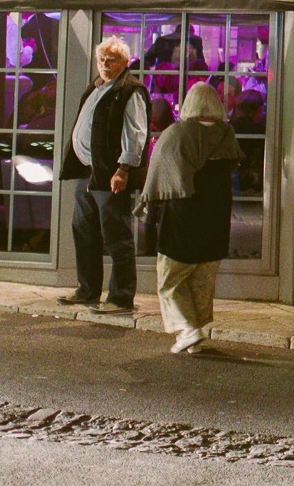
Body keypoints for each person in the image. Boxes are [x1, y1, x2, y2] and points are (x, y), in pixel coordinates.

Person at [140, 82, 244, 354]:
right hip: (217, 217)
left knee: (170, 280)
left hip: (183, 216)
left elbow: (159, 173)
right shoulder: (227, 133)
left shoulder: (177, 134)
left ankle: (188, 329)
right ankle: (193, 335)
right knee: (202, 281)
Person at [56, 36, 149, 313]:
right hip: (88, 171)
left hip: (110, 173)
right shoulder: (98, 86)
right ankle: (87, 290)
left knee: (116, 235)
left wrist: (123, 170)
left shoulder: (130, 90)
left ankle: (120, 298)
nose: (105, 64)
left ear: (125, 62)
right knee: (83, 231)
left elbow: (136, 134)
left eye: (112, 59)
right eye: (101, 59)